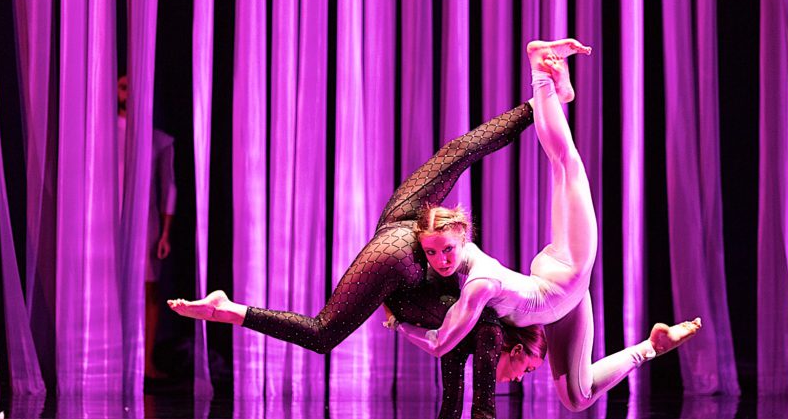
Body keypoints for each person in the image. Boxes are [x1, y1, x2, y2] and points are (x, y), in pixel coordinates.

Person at [388, 40, 702, 412]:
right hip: (560, 299)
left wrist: (397, 323)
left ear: (462, 238)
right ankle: (652, 346)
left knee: (566, 164)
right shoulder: (464, 259)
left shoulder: (477, 286)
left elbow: (440, 343)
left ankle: (541, 72)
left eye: (446, 250)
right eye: (432, 253)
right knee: (577, 397)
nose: (441, 260)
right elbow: (437, 259)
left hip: (567, 272)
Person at [167, 99, 535, 351]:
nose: (442, 260)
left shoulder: (472, 296)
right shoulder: (483, 315)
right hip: (402, 253)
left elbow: (459, 152)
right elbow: (442, 351)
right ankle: (229, 310)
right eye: (528, 368)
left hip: (401, 223)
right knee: (322, 334)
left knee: (455, 157)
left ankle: (228, 309)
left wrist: (536, 105)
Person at [119, 74, 177, 380]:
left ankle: (147, 362)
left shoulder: (157, 139)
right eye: (123, 87)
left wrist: (166, 231)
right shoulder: (102, 132)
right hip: (109, 221)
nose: (128, 94)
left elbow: (169, 186)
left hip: (146, 222)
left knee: (149, 289)